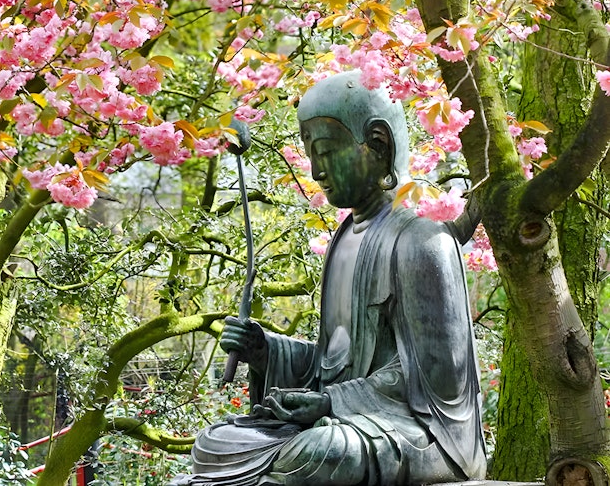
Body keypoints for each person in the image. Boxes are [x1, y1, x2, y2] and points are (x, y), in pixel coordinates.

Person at [173, 71, 486, 486]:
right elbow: (331, 361)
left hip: (420, 434)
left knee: (323, 452)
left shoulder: (422, 238)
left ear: (378, 144)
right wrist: (265, 350)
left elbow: (440, 380)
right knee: (215, 441)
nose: (316, 171)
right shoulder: (344, 237)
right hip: (346, 420)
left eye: (326, 151)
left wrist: (328, 402)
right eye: (310, 155)